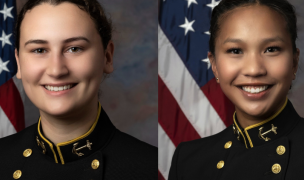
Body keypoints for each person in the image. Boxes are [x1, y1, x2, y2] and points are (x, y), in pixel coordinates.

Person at [0, 0, 157, 179]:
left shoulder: (153, 169)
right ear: (19, 63)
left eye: (74, 49)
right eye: (39, 50)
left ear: (107, 57)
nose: (56, 70)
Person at [168, 0, 304, 179]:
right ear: (214, 65)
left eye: (271, 49)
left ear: (294, 62)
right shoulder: (187, 160)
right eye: (235, 51)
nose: (254, 70)